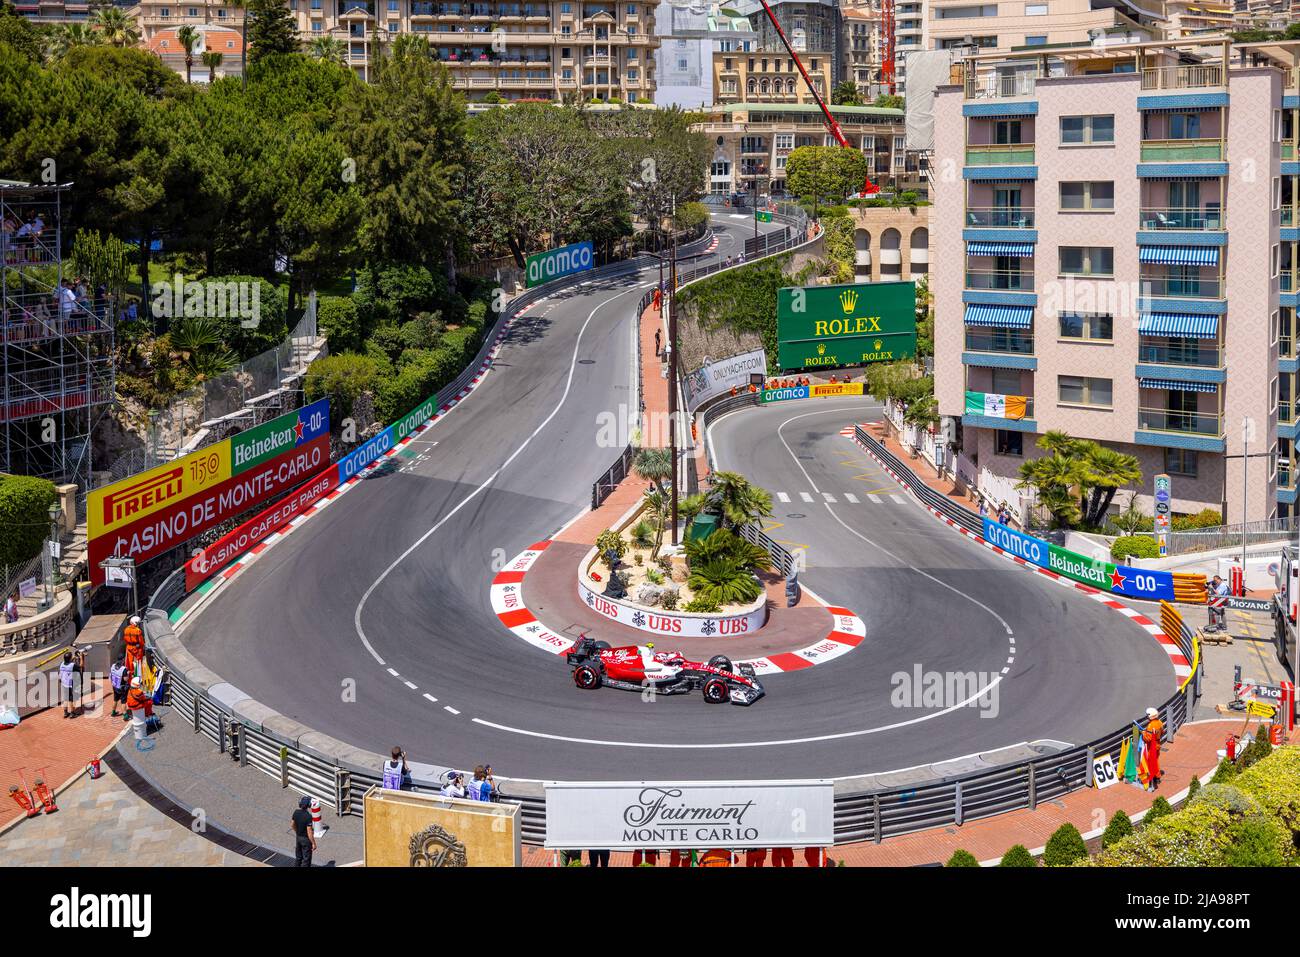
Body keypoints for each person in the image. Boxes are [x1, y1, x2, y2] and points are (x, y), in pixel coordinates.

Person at [1140, 707, 1164, 791]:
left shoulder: (1150, 726)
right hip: (1157, 744)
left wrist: (1143, 733)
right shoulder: (1160, 722)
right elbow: (1162, 732)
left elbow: (1148, 739)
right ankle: (1157, 777)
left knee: (1152, 762)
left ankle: (1154, 780)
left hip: (1152, 746)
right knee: (1156, 761)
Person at [291, 796, 316, 867]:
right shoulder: (308, 817)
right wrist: (313, 843)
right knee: (306, 860)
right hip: (306, 840)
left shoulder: (296, 812)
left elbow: (292, 825)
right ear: (309, 805)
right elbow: (309, 832)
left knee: (298, 857)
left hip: (298, 837)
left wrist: (298, 832)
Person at [59, 649, 82, 718]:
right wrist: (81, 658)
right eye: (71, 657)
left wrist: (73, 658)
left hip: (63, 683)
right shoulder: (72, 666)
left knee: (65, 698)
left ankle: (65, 712)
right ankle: (72, 713)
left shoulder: (62, 664)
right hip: (69, 684)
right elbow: (81, 665)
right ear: (70, 659)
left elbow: (68, 663)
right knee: (71, 699)